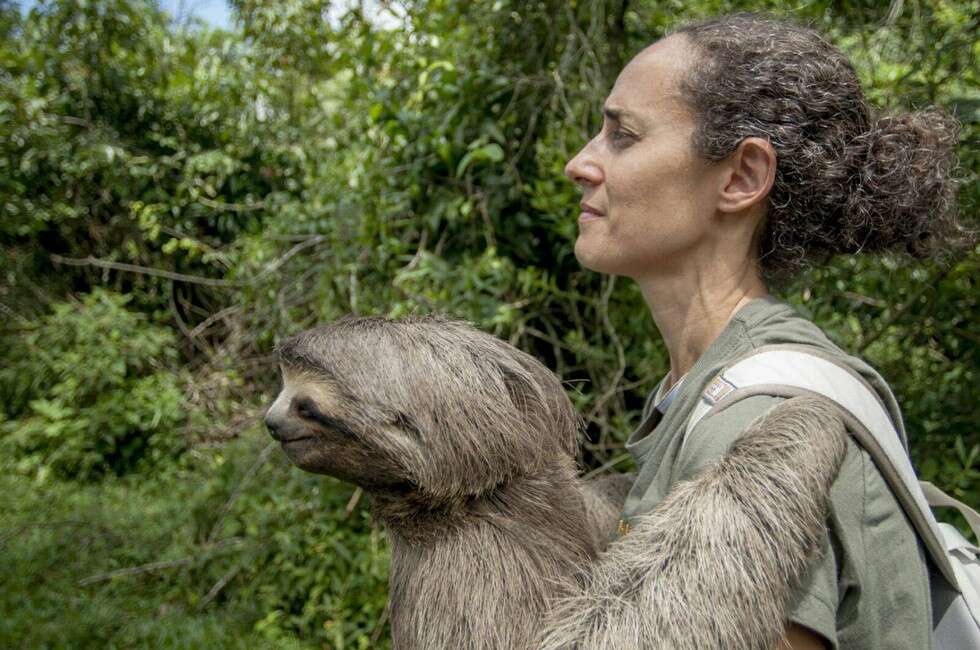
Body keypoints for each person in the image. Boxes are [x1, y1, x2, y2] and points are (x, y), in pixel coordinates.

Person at [563, 12, 963, 650]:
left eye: (623, 135)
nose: (579, 163)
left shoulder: (757, 420)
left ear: (742, 176)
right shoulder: (700, 392)